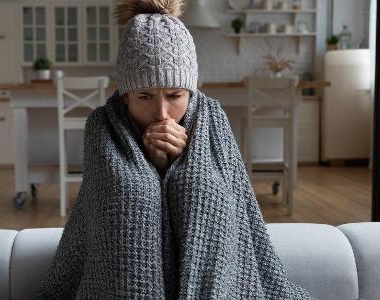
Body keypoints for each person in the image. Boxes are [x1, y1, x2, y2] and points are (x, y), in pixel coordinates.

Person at [36, 0, 316, 299]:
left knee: (199, 187)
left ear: (190, 92)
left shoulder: (211, 118)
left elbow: (234, 204)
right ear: (126, 96)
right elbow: (107, 205)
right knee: (133, 192)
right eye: (145, 96)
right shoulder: (102, 126)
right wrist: (151, 163)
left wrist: (183, 160)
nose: (162, 112)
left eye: (174, 95)